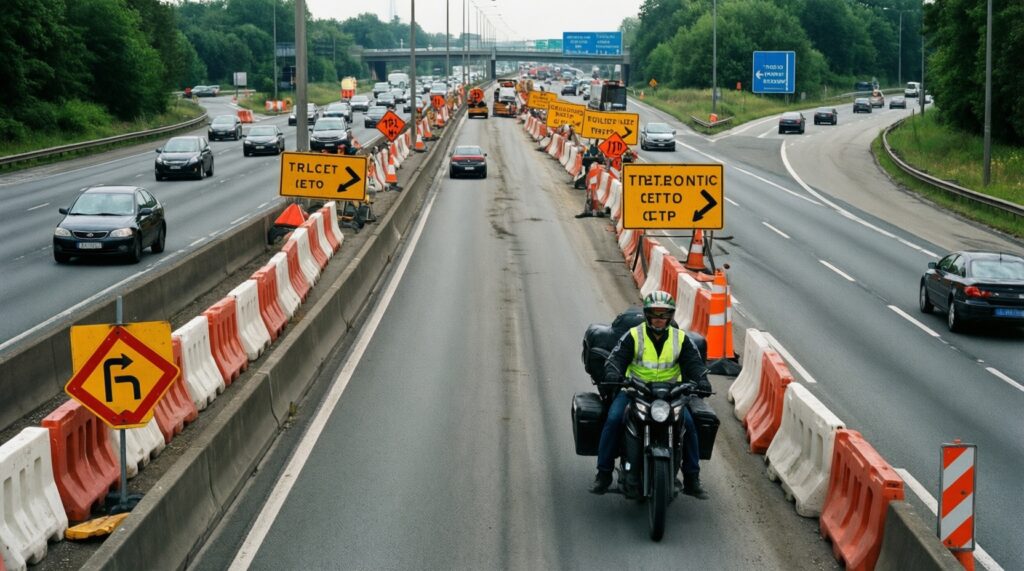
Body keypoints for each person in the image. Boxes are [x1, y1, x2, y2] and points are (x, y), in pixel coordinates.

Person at [590, 290, 711, 499]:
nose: (659, 319)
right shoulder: (634, 335)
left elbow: (694, 363)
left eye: (664, 314)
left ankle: (692, 478)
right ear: (647, 314)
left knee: (689, 426)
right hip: (635, 391)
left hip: (670, 395)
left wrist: (702, 380)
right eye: (655, 313)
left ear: (671, 316)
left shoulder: (679, 338)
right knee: (613, 419)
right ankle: (604, 474)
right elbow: (616, 359)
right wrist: (613, 373)